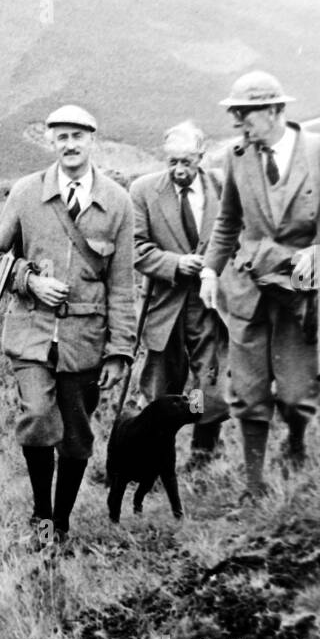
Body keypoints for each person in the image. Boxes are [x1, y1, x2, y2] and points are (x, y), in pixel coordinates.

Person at [199, 71, 320, 499]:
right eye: (235, 115)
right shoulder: (237, 156)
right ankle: (254, 485)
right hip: (248, 286)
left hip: (301, 288)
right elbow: (228, 220)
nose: (240, 124)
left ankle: (297, 441)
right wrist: (211, 271)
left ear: (275, 111)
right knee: (247, 390)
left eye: (246, 114)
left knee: (295, 392)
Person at [0, 104, 137, 543]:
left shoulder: (117, 202)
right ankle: (42, 516)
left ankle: (64, 522)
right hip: (31, 332)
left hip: (85, 340)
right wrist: (30, 281)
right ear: (50, 142)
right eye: (61, 138)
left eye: (78, 136)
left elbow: (123, 284)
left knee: (76, 436)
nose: (70, 145)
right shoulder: (26, 193)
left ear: (93, 140)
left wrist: (120, 350)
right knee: (36, 416)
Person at [128, 121, 229, 465]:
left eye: (187, 161)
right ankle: (151, 457)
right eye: (172, 161)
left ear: (201, 157)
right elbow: (135, 248)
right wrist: (174, 263)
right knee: (160, 389)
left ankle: (204, 452)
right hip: (164, 304)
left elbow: (236, 237)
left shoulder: (221, 187)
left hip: (209, 304)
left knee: (208, 383)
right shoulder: (143, 191)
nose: (179, 170)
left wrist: (214, 267)